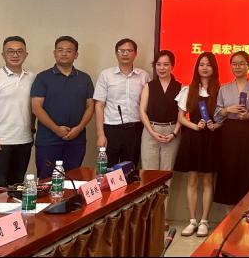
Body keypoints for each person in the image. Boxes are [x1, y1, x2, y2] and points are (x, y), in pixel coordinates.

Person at [31, 36, 94, 179]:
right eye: (60, 50)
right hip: (48, 141)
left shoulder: (84, 78)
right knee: (47, 181)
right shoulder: (42, 77)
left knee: (73, 180)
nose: (64, 53)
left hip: (76, 140)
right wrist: (56, 129)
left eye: (69, 51)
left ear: (76, 55)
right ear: (54, 53)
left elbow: (90, 106)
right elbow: (36, 108)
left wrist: (79, 128)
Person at [175, 52, 221, 238]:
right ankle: (192, 220)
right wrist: (195, 126)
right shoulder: (188, 90)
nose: (204, 68)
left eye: (208, 65)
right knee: (192, 179)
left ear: (214, 68)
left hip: (211, 139)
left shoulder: (220, 91)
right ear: (197, 68)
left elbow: (224, 118)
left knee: (208, 180)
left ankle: (204, 221)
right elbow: (180, 117)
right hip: (193, 138)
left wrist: (215, 125)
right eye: (201, 64)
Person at [0, 36, 36, 187]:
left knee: (17, 185)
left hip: (24, 140)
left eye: (19, 51)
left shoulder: (33, 78)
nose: (15, 55)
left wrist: (32, 130)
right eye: (10, 51)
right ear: (3, 54)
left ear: (26, 54)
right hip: (1, 141)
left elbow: (34, 108)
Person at [214, 51, 249, 208]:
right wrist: (227, 110)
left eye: (241, 63)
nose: (237, 67)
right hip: (228, 133)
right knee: (228, 170)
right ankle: (229, 213)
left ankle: (247, 210)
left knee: (247, 170)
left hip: (248, 133)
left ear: (248, 66)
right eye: (234, 64)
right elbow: (217, 114)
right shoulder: (224, 89)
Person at [94, 38, 150, 167]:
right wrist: (100, 134)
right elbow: (99, 105)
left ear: (135, 53)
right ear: (116, 53)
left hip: (135, 129)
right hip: (111, 129)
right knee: (108, 169)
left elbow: (147, 105)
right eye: (121, 51)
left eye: (129, 50)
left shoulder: (144, 76)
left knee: (130, 168)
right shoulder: (106, 75)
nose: (125, 54)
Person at [139, 50, 181, 184]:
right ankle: (149, 199)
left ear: (172, 66)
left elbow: (182, 115)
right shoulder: (149, 86)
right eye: (158, 64)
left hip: (172, 132)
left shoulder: (180, 87)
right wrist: (152, 132)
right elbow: (142, 111)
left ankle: (163, 199)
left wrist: (174, 134)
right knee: (148, 174)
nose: (162, 68)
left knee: (166, 174)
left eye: (166, 64)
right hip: (150, 130)